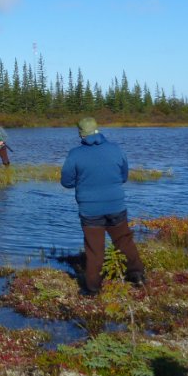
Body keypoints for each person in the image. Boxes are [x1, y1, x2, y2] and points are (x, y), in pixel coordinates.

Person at [60, 117, 145, 296]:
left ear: (81, 134)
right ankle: (137, 276)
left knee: (94, 248)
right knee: (124, 240)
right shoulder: (116, 149)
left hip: (90, 211)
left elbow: (66, 182)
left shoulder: (75, 154)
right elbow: (123, 177)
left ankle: (92, 289)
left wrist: (83, 181)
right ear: (98, 131)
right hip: (116, 206)